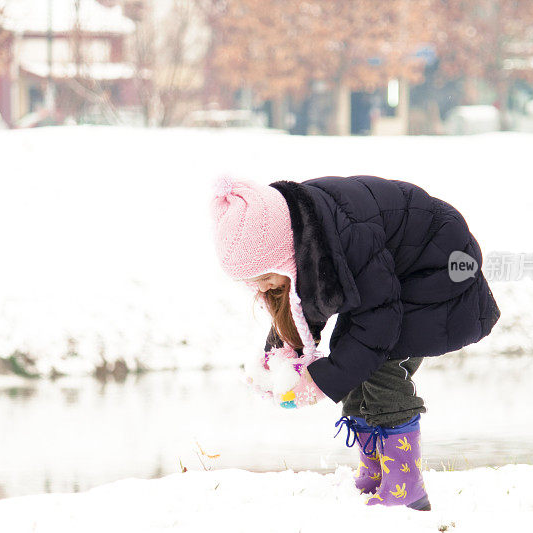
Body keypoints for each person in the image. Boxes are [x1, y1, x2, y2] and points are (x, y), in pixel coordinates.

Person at [209, 174, 501, 509]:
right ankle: (376, 469)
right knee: (352, 356)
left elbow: (378, 327)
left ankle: (405, 486)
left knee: (380, 365)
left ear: (282, 253)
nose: (261, 288)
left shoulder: (346, 235)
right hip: (392, 280)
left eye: (264, 277)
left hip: (439, 270)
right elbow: (311, 301)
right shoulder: (304, 231)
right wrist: (279, 355)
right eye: (252, 283)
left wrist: (319, 382)